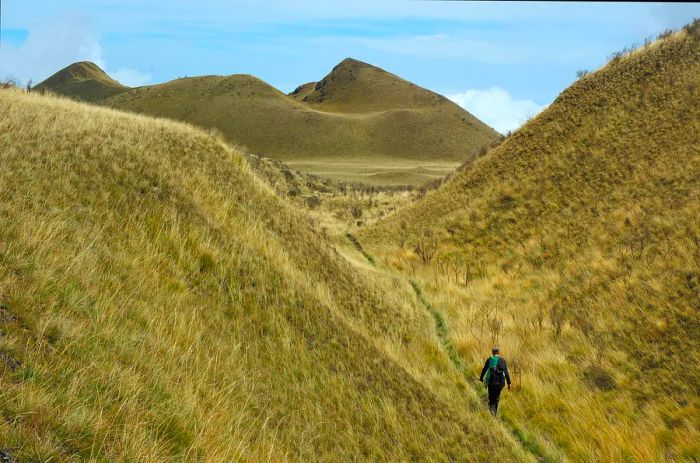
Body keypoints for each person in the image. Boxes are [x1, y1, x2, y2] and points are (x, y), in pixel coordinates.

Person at [479, 347, 511, 416]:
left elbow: (484, 370)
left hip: (491, 382)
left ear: (492, 352)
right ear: (498, 352)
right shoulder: (503, 361)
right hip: (500, 383)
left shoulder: (489, 360)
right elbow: (506, 373)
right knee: (496, 398)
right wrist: (509, 383)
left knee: (491, 397)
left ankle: (491, 412)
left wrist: (481, 378)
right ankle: (494, 414)